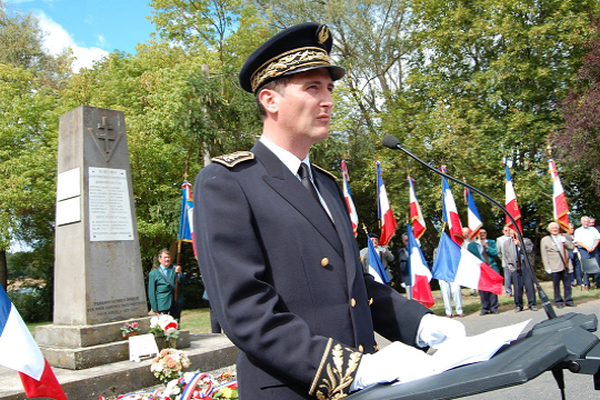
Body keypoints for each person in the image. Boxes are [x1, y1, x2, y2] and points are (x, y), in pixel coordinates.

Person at [192, 23, 466, 399]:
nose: (328, 100)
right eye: (312, 87)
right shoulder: (227, 181)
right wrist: (351, 370)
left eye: (330, 88)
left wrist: (421, 323)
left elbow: (353, 283)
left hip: (364, 387)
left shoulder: (324, 185)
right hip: (293, 389)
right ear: (270, 100)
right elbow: (244, 309)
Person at [540, 222, 576, 308]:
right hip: (554, 266)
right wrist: (547, 267)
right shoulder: (545, 240)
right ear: (549, 230)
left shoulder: (565, 236)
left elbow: (572, 247)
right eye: (553, 228)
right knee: (556, 285)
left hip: (566, 265)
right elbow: (544, 255)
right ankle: (558, 301)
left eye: (556, 228)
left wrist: (565, 241)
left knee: (567, 284)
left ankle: (568, 300)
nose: (555, 230)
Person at [502, 230, 537, 312]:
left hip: (525, 265)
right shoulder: (506, 243)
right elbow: (506, 256)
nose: (512, 235)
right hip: (515, 266)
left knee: (529, 285)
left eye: (513, 233)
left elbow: (529, 250)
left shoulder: (526, 241)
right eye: (510, 233)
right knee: (517, 286)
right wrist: (510, 268)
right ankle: (518, 305)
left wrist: (520, 244)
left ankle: (532, 304)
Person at [467, 227, 499, 315]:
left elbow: (495, 253)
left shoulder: (491, 242)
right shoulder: (471, 245)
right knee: (482, 289)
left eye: (484, 233)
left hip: (491, 267)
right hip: (480, 269)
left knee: (493, 288)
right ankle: (485, 308)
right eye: (480, 233)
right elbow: (470, 258)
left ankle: (494, 307)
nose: (482, 234)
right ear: (477, 234)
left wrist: (487, 246)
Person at [147, 249, 184, 322]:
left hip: (176, 302)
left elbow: (181, 283)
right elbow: (151, 292)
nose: (167, 259)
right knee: (165, 325)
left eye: (168, 257)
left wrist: (180, 274)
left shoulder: (175, 268)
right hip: (163, 304)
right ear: (159, 259)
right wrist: (155, 308)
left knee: (176, 325)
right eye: (165, 257)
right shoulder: (153, 274)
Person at [574, 216, 600, 290]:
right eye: (585, 221)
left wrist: (593, 247)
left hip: (594, 250)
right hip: (584, 250)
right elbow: (578, 242)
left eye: (587, 221)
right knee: (586, 268)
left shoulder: (593, 229)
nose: (586, 223)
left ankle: (598, 283)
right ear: (581, 222)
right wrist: (587, 248)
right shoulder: (578, 231)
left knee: (597, 266)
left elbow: (598, 238)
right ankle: (586, 284)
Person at [496, 225, 513, 296]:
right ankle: (508, 292)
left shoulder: (514, 237)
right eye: (506, 230)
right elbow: (498, 252)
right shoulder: (499, 240)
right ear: (503, 231)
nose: (508, 232)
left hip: (515, 261)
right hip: (506, 261)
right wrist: (503, 258)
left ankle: (521, 291)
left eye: (509, 230)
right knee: (507, 278)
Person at [569, 223, 582, 287]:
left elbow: (579, 243)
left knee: (578, 267)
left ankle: (579, 281)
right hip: (570, 253)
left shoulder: (575, 236)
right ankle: (572, 282)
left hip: (577, 252)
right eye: (570, 228)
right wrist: (575, 243)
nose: (572, 230)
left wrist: (575, 244)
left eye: (572, 228)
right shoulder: (565, 236)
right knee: (571, 268)